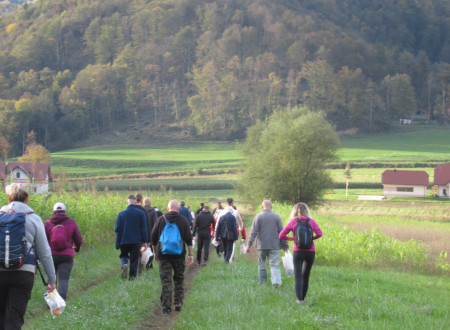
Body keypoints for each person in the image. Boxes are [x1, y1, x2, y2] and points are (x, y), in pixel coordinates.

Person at [0, 183, 56, 329]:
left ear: (8, 198)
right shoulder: (34, 219)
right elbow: (44, 253)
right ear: (27, 199)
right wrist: (52, 280)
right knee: (14, 317)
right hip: (24, 273)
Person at [151, 200, 193, 316]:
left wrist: (155, 253)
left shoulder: (160, 220)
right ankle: (178, 302)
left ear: (168, 207)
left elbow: (153, 238)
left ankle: (166, 309)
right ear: (178, 208)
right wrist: (190, 254)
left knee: (166, 281)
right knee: (179, 278)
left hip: (164, 255)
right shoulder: (183, 220)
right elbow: (189, 239)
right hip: (179, 255)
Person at [279, 202, 322, 304]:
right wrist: (312, 238)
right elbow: (320, 233)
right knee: (306, 275)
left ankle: (300, 299)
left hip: (298, 251)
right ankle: (304, 297)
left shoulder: (293, 222)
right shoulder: (312, 222)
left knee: (298, 275)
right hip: (310, 251)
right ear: (307, 211)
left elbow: (281, 235)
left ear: (295, 211)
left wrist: (292, 239)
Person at [44, 202, 82, 300]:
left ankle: (52, 302)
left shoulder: (47, 223)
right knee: (63, 278)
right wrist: (76, 249)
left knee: (51, 279)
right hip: (66, 255)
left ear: (54, 211)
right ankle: (61, 300)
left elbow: (42, 240)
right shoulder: (71, 222)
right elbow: (78, 239)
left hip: (51, 255)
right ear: (64, 211)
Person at [246, 200, 287, 288]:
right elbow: (282, 232)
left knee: (261, 264)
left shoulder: (258, 216)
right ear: (271, 207)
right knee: (274, 264)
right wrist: (285, 245)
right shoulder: (277, 216)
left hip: (261, 245)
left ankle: (262, 283)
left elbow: (253, 232)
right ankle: (276, 282)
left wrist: (248, 245)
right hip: (274, 245)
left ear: (262, 207)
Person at [115, 195, 148, 280]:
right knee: (134, 259)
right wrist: (145, 241)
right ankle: (132, 278)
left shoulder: (121, 214)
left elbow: (117, 228)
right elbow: (144, 228)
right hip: (136, 241)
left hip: (124, 240)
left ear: (127, 203)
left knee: (124, 255)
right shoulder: (141, 213)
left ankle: (124, 264)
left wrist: (118, 240)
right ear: (135, 202)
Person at [143, 197, 158, 269]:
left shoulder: (140, 210)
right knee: (151, 251)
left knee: (142, 250)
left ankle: (144, 264)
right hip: (151, 234)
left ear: (143, 203)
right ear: (150, 203)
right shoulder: (153, 212)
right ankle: (148, 264)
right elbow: (156, 223)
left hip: (142, 234)